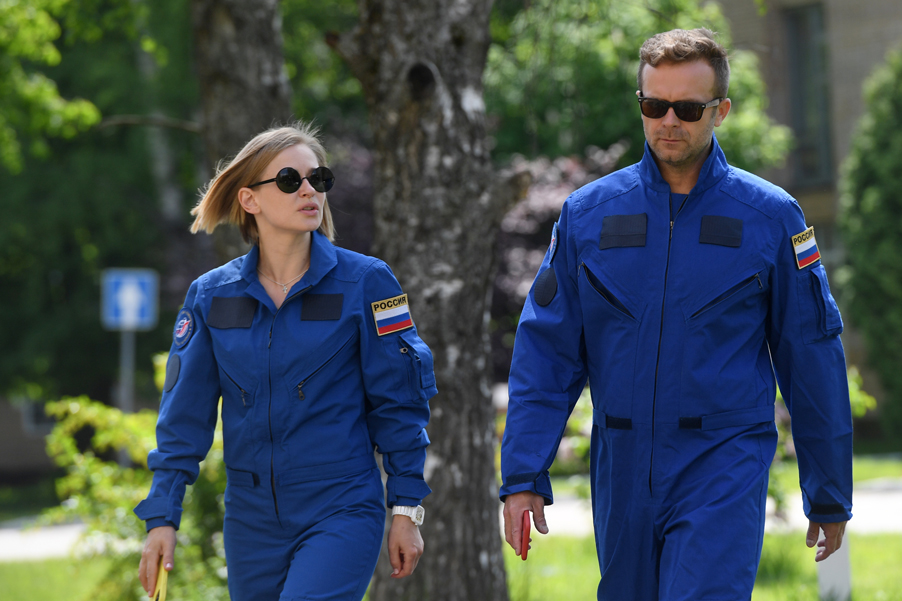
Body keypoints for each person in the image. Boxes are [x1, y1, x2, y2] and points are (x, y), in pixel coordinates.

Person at [500, 28, 852, 600]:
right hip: (622, 465)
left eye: (687, 109)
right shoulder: (588, 216)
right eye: (653, 105)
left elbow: (811, 357)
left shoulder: (771, 218)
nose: (668, 121)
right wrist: (522, 474)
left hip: (723, 462)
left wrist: (829, 491)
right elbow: (546, 353)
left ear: (720, 111)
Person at [134, 122, 437, 601]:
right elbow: (183, 418)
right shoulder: (210, 296)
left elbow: (399, 403)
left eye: (319, 179)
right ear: (249, 199)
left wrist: (406, 507)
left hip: (340, 507)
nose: (309, 191)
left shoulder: (369, 283)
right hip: (249, 521)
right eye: (290, 180)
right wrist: (161, 517)